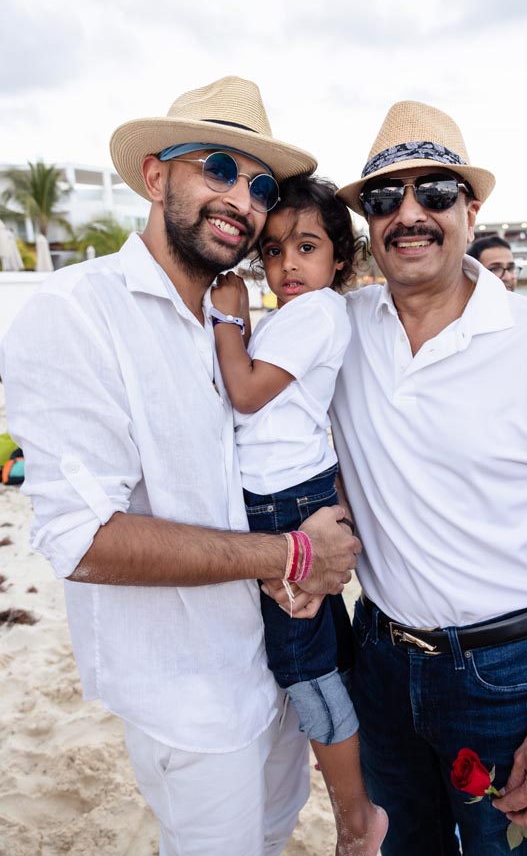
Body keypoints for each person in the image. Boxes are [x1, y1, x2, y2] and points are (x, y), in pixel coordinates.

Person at [0, 76, 360, 856]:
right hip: (191, 697)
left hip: (275, 666)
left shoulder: (236, 319)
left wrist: (332, 521)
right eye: (218, 168)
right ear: (156, 176)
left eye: (260, 186)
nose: (242, 198)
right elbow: (80, 540)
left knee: (272, 837)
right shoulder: (76, 312)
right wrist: (294, 554)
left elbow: (283, 443)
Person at [330, 99, 527, 855]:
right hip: (378, 662)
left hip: (509, 676)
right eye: (386, 198)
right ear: (369, 222)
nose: (409, 213)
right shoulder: (338, 330)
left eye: (436, 192)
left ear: (471, 211)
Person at [211, 174, 388, 856]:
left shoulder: (315, 312)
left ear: (340, 257)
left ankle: (356, 818)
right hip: (292, 490)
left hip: (283, 500)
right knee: (320, 650)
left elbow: (247, 393)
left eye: (307, 247)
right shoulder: (305, 314)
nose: (287, 263)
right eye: (274, 249)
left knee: (302, 666)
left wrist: (230, 319)